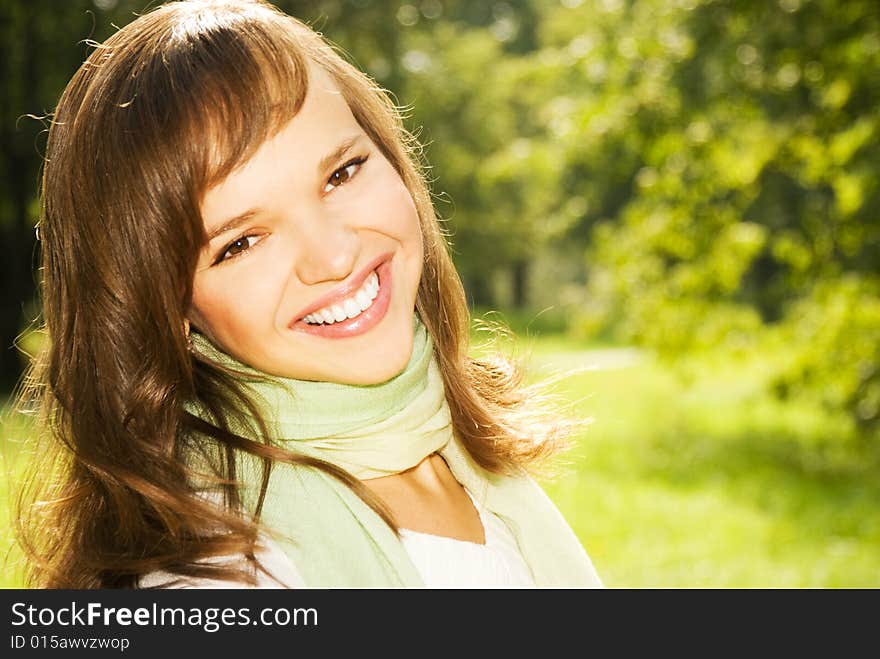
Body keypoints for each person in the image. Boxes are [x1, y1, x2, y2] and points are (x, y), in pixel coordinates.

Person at [14, 0, 602, 589]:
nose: (334, 256)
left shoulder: (467, 461)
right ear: (165, 308)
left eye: (341, 173)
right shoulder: (220, 574)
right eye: (242, 242)